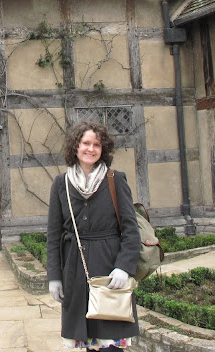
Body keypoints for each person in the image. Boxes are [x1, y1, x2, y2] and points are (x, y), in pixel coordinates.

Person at [47, 120, 140, 351]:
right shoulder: (61, 183)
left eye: (96, 145)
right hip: (75, 270)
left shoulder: (115, 179)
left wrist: (124, 267)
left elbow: (131, 229)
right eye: (85, 143)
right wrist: (54, 277)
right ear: (75, 147)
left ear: (103, 149)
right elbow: (53, 234)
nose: (90, 149)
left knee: (111, 342)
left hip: (110, 268)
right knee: (84, 340)